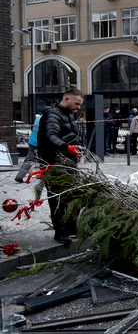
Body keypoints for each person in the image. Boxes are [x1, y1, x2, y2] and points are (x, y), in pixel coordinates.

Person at [37, 88, 84, 245]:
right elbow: (50, 137)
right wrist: (67, 147)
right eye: (76, 104)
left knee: (73, 195)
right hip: (54, 162)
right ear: (66, 99)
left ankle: (71, 226)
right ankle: (60, 231)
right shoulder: (52, 114)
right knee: (57, 198)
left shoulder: (70, 113)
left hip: (68, 162)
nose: (78, 107)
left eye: (80, 105)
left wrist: (73, 149)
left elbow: (70, 134)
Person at [15, 106, 52, 183]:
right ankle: (46, 175)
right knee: (46, 159)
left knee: (29, 160)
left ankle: (20, 176)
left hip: (33, 142)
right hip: (40, 143)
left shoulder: (38, 118)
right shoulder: (46, 119)